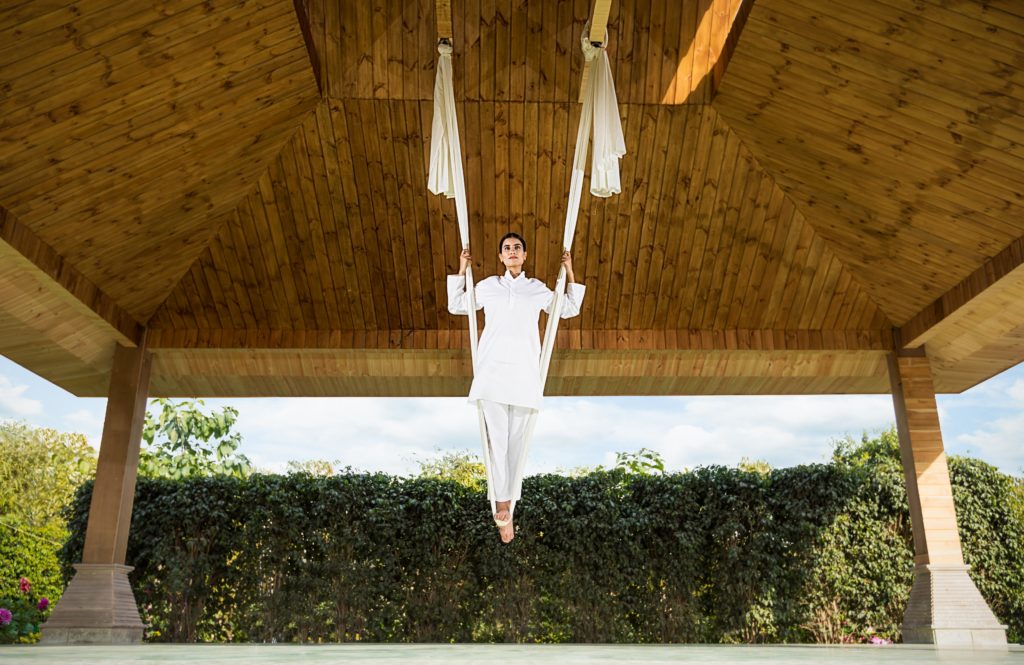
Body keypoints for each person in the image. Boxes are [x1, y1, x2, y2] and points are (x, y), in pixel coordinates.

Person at [447, 232, 586, 543]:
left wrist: (570, 272)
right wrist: (461, 268)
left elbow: (567, 309)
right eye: (506, 248)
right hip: (492, 372)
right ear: (500, 257)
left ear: (524, 256)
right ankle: (502, 504)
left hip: (524, 374)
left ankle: (510, 503)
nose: (512, 252)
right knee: (497, 440)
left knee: (517, 443)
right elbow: (457, 305)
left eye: (517, 248)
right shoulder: (487, 287)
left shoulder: (535, 289)